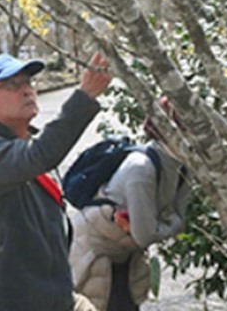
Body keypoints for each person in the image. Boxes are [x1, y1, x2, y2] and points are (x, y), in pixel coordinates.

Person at [0, 52, 112, 311]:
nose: (27, 91)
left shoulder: (24, 147)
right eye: (12, 85)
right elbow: (42, 155)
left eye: (28, 83)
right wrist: (84, 96)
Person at [69, 97, 192, 311]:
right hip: (93, 256)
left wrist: (153, 228)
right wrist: (158, 227)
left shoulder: (184, 167)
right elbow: (146, 235)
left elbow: (177, 224)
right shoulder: (141, 169)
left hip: (126, 256)